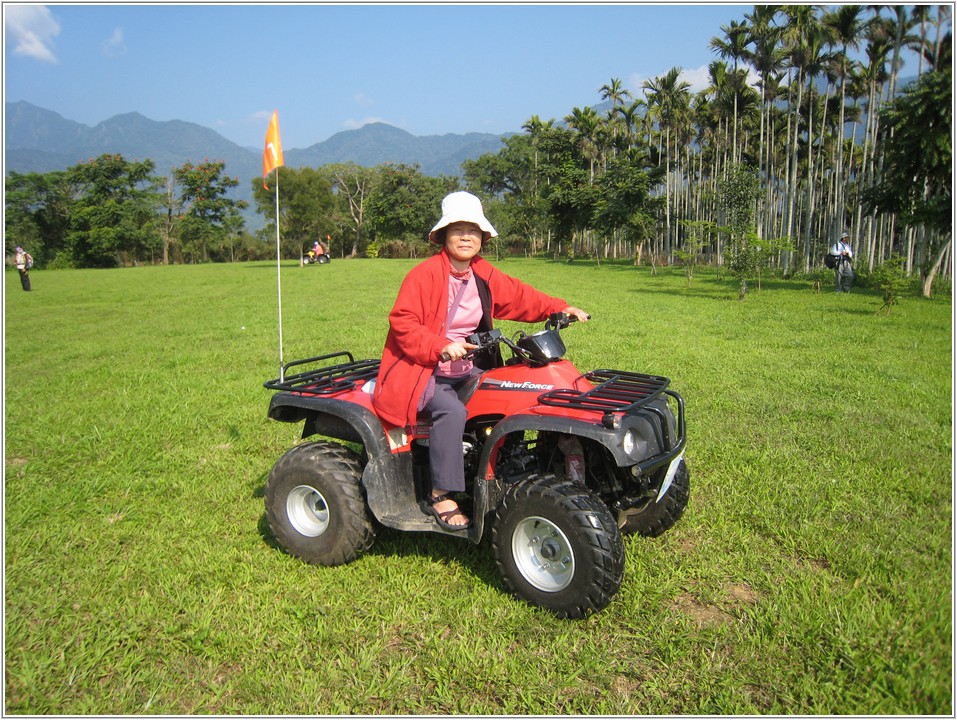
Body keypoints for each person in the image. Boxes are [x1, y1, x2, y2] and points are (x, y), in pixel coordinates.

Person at [371, 191, 589, 530]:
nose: (465, 237)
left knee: (512, 391)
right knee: (451, 410)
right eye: (457, 230)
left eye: (472, 231)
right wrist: (439, 345)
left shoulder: (481, 273)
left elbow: (520, 296)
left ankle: (511, 466)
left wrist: (559, 308)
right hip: (422, 370)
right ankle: (440, 495)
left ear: (482, 238)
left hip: (464, 366)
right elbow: (404, 324)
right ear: (443, 236)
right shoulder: (424, 275)